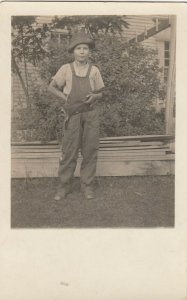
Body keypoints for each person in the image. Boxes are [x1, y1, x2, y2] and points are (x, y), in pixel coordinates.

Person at [48, 32, 105, 200]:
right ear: (73, 51)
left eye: (85, 48)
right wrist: (67, 98)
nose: (82, 51)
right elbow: (51, 87)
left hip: (90, 115)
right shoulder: (66, 69)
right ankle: (63, 186)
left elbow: (101, 93)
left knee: (90, 151)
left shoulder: (94, 70)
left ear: (89, 52)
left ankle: (87, 186)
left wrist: (95, 96)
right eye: (78, 48)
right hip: (72, 116)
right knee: (69, 152)